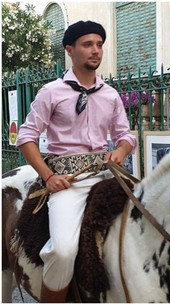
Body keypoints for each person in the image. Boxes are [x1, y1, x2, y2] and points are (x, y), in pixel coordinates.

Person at [15, 20, 136, 303]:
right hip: (67, 182)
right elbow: (26, 137)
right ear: (70, 50)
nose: (96, 51)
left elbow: (125, 136)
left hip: (106, 176)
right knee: (63, 250)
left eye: (99, 45)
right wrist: (47, 176)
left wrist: (120, 152)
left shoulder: (110, 94)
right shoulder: (51, 92)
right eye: (87, 44)